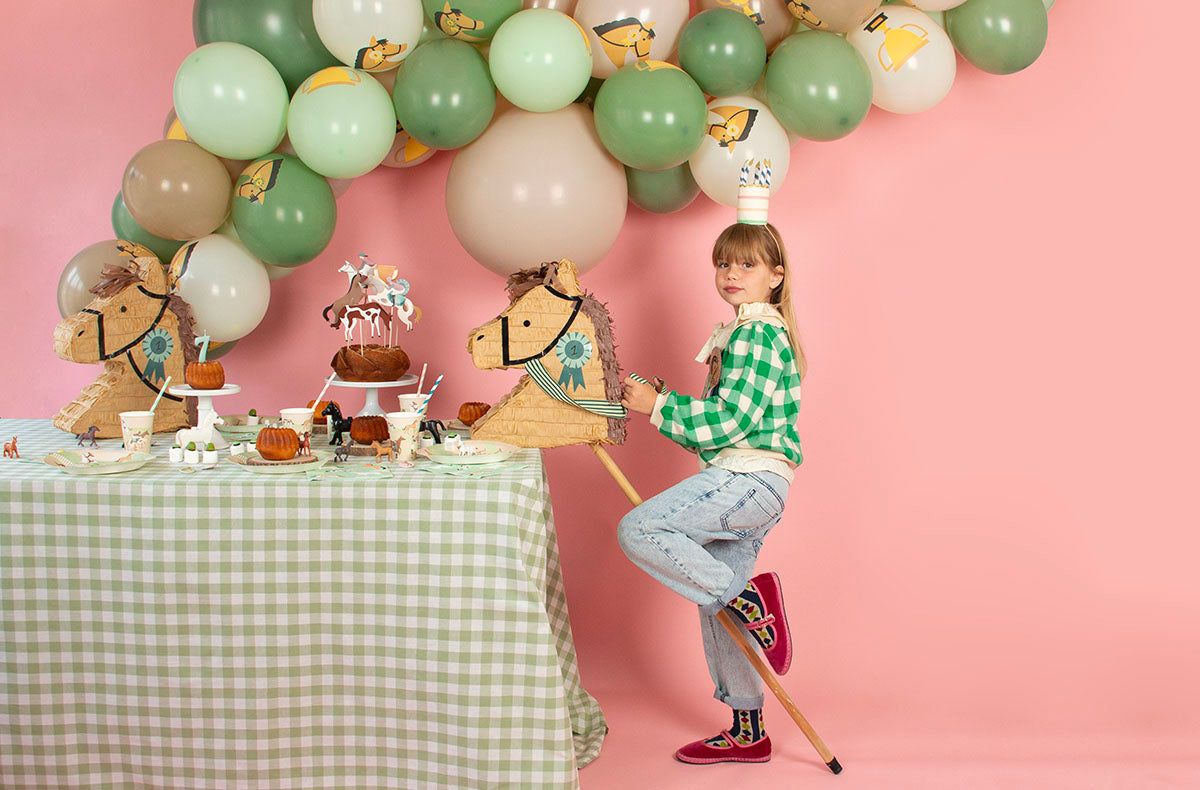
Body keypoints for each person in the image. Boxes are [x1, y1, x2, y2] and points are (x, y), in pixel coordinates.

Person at [619, 219, 806, 765]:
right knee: (714, 602)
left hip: (748, 480)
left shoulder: (758, 332)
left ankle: (750, 600)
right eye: (723, 262)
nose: (730, 273)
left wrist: (655, 406)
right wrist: (661, 403)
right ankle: (749, 730)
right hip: (747, 478)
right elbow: (716, 435)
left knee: (642, 529)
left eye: (746, 264)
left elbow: (729, 422)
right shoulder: (743, 332)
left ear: (775, 276)